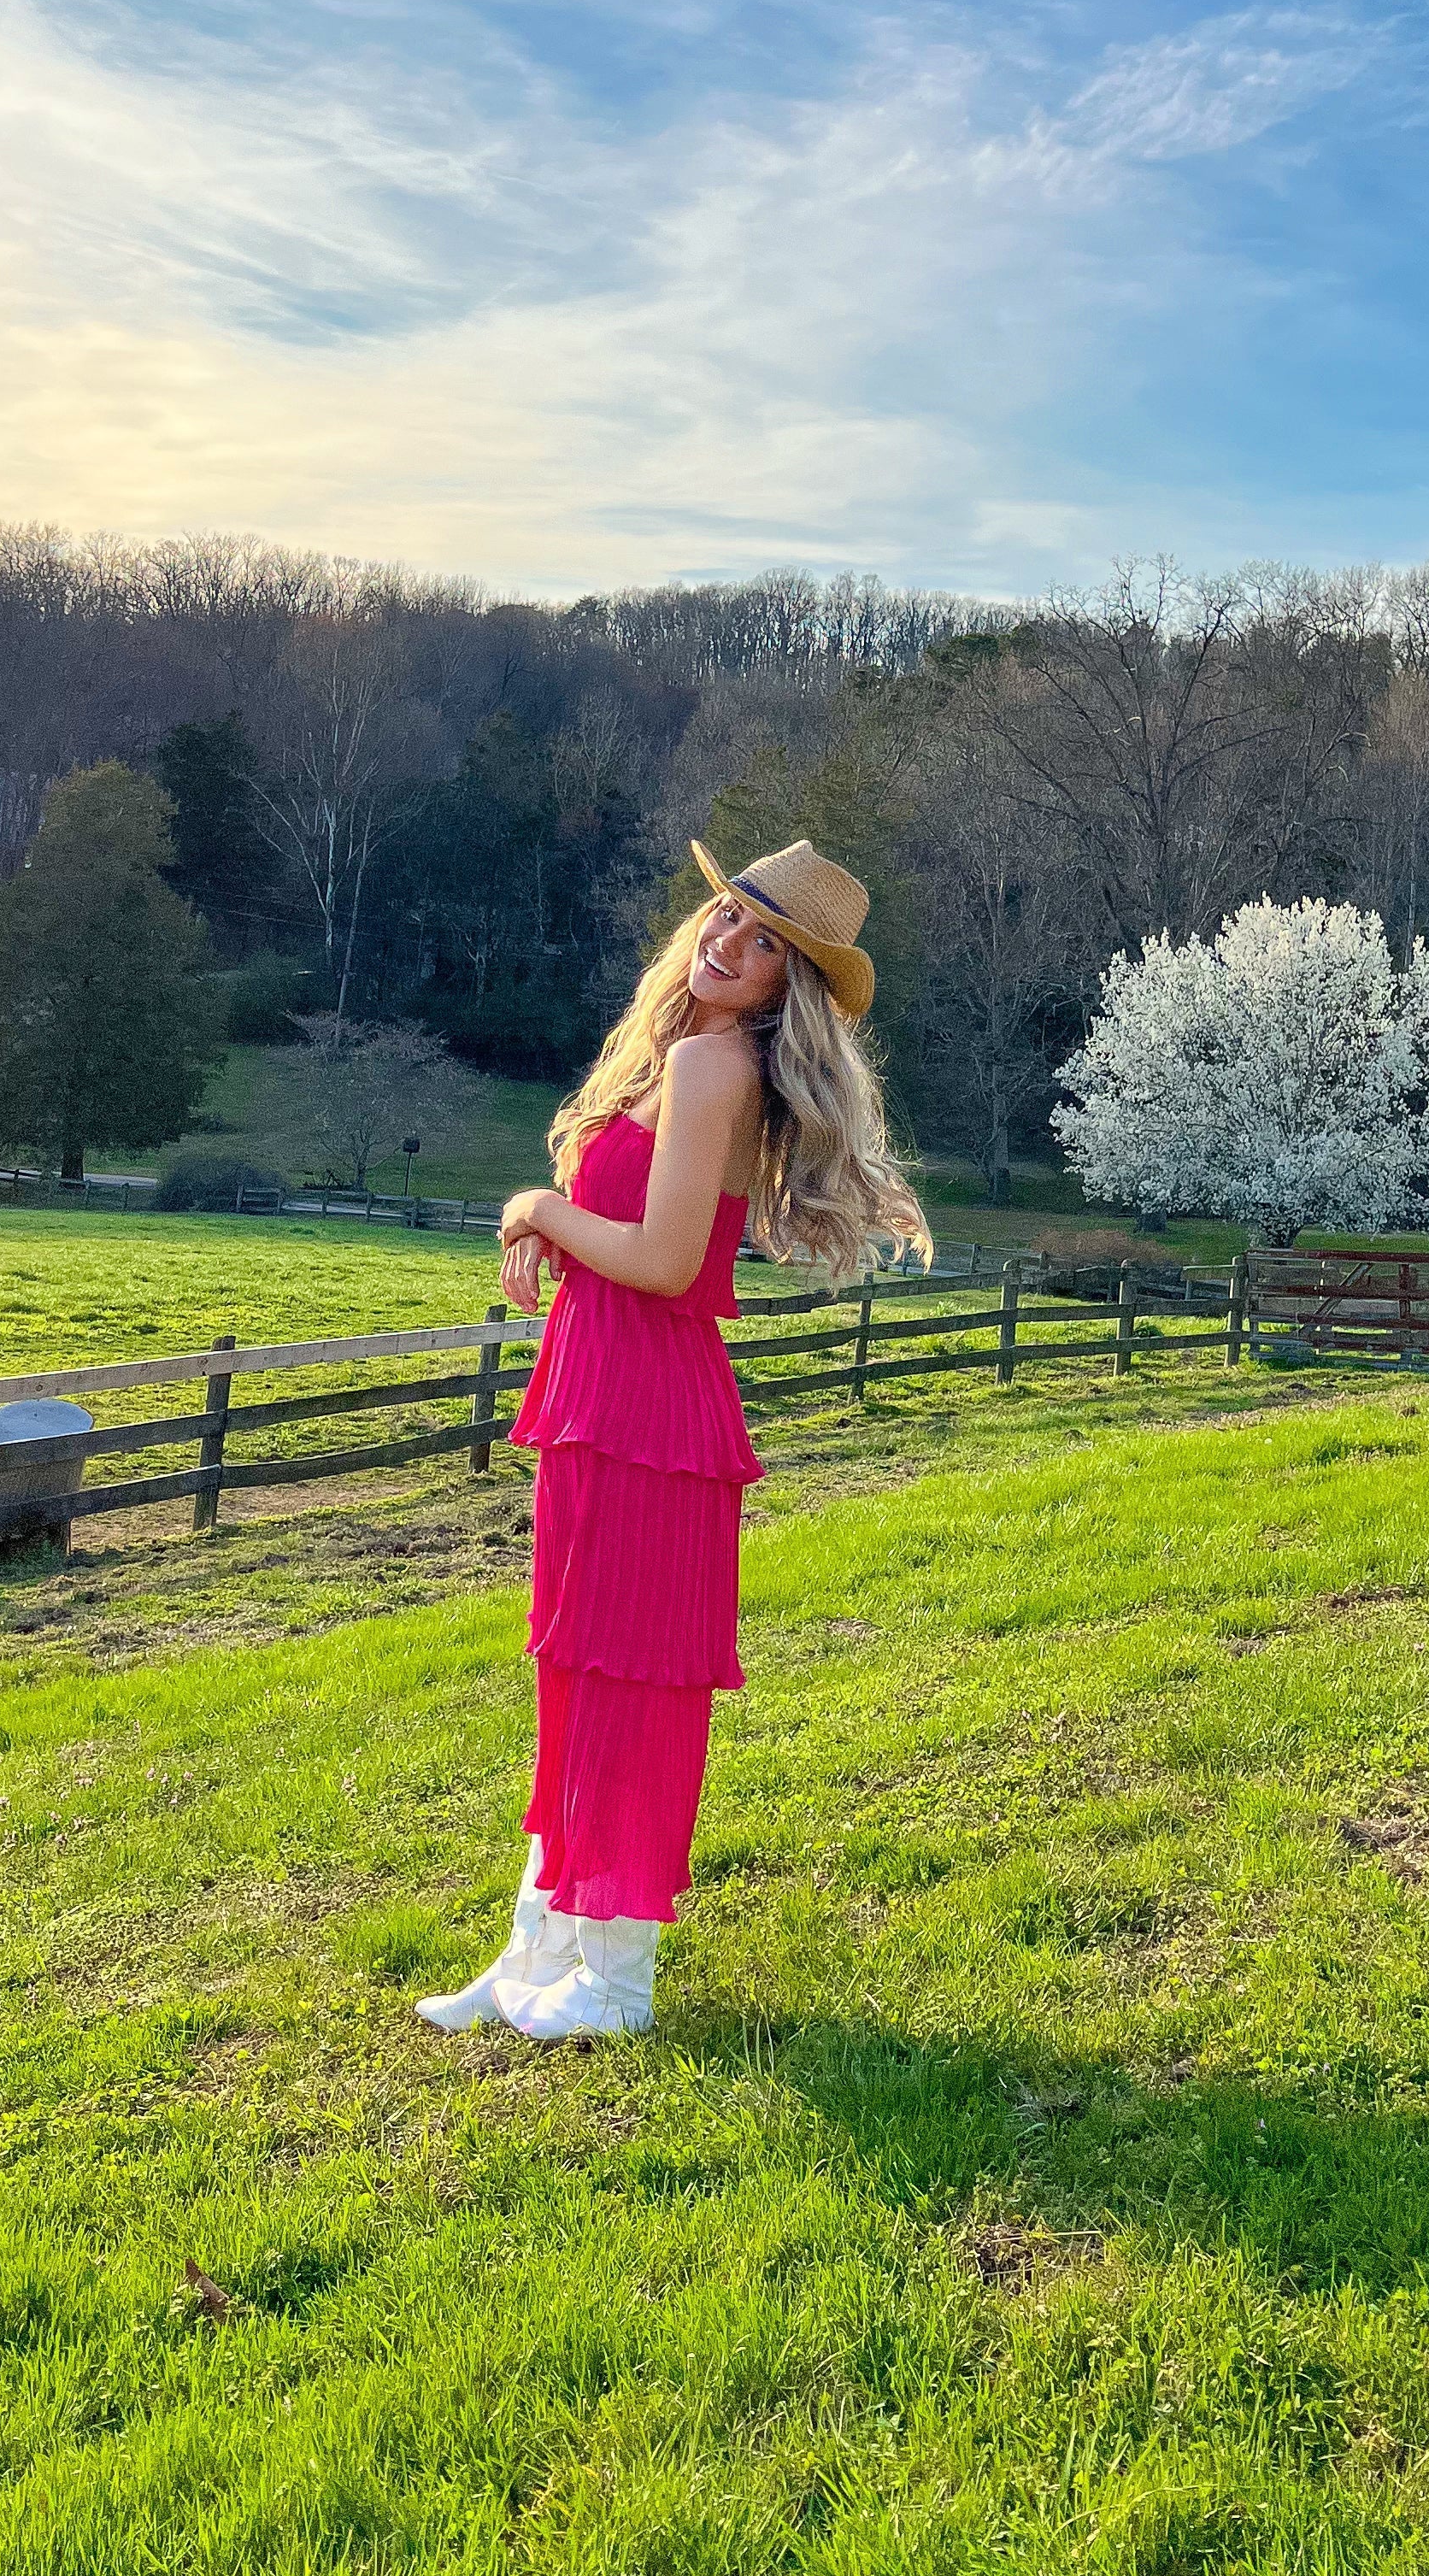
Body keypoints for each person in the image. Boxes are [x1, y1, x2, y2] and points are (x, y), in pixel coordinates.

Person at [416, 839, 928, 2041]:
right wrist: (554, 1225)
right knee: (576, 1672)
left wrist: (535, 1210)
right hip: (600, 1391)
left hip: (649, 1402)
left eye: (766, 948)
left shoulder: (714, 1065)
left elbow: (657, 1259)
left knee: (634, 1683)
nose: (729, 946)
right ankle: (538, 1942)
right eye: (729, 917)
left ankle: (617, 1977)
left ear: (787, 990)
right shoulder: (670, 1058)